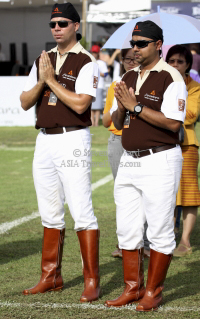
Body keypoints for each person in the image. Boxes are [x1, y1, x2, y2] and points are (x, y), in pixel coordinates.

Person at [20, 3, 101, 303]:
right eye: (53, 23)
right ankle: (50, 276)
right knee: (50, 212)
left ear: (76, 26)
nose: (56, 28)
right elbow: (26, 101)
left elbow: (82, 105)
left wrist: (51, 81)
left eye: (63, 23)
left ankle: (92, 280)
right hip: (45, 140)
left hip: (73, 139)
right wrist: (43, 79)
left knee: (81, 211)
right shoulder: (44, 59)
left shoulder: (86, 61)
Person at [104, 20, 187, 311]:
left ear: (157, 45)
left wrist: (136, 106)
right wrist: (121, 108)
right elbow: (115, 122)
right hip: (129, 159)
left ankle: (154, 291)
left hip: (160, 158)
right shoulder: (128, 74)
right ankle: (132, 288)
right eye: (133, 43)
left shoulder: (171, 77)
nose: (135, 49)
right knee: (126, 228)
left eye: (141, 43)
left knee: (160, 230)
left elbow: (173, 123)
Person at [103, 49, 150, 259]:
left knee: (146, 193)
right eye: (126, 59)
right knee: (123, 195)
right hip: (117, 141)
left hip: (141, 141)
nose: (130, 62)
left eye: (134, 58)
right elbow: (107, 120)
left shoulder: (148, 83)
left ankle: (147, 242)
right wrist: (121, 108)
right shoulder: (116, 85)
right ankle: (126, 244)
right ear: (121, 62)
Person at [166, 45, 200, 257]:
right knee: (165, 193)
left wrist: (166, 113)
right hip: (162, 144)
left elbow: (191, 115)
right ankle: (167, 234)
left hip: (186, 145)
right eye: (172, 61)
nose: (175, 65)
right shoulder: (160, 82)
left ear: (188, 65)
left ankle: (185, 241)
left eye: (180, 61)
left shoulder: (194, 86)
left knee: (187, 195)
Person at [90, 45, 108, 126]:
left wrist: (98, 72)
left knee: (97, 106)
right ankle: (92, 122)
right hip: (90, 85)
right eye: (93, 52)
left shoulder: (101, 63)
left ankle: (96, 122)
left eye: (95, 52)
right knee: (90, 105)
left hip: (99, 86)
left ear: (98, 53)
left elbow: (106, 74)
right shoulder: (89, 61)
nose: (94, 54)